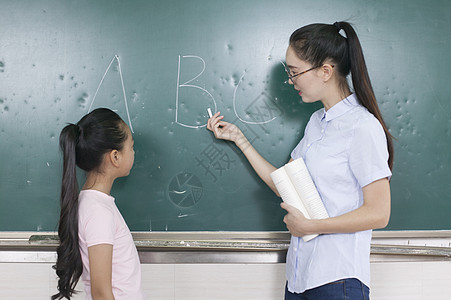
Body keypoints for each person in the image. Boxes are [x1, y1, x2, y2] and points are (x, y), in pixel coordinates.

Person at [207, 21, 393, 299]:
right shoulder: (317, 123)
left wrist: (312, 226)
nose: (290, 80)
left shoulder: (362, 127)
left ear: (326, 71)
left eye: (295, 72)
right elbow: (286, 185)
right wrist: (239, 139)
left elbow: (379, 213)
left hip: (338, 279)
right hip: (300, 277)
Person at [52, 108, 143, 300]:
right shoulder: (98, 212)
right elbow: (101, 292)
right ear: (115, 157)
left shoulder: (94, 204)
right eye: (131, 146)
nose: (134, 153)